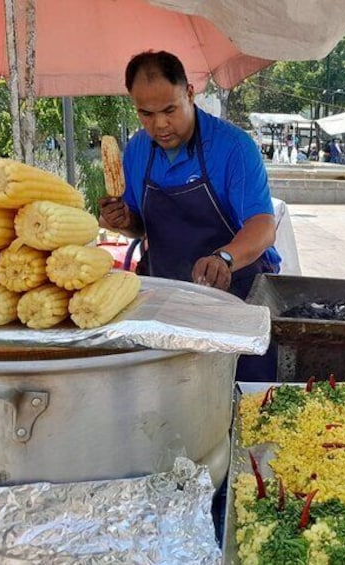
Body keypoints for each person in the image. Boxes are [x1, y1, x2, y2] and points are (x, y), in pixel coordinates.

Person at [98, 50, 281, 378]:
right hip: (168, 296)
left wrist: (224, 259)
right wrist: (123, 220)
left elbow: (263, 226)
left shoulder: (233, 147)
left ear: (190, 94)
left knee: (244, 394)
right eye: (146, 114)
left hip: (236, 294)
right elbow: (140, 227)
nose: (160, 125)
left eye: (170, 109)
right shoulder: (138, 150)